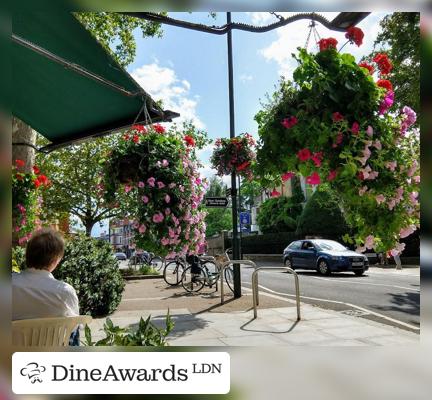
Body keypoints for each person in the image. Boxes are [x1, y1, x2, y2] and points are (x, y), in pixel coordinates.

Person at [12, 228, 80, 344]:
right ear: (55, 260)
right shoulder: (65, 292)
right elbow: (73, 327)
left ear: (27, 255)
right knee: (75, 328)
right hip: (50, 356)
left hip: (9, 355)